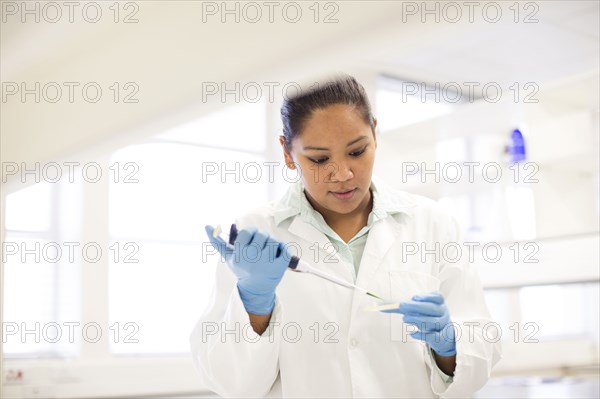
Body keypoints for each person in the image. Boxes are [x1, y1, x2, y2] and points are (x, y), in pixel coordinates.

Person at [190, 75, 502, 398]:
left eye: (357, 151)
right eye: (320, 159)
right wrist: (255, 306)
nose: (343, 174)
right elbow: (230, 383)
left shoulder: (433, 224)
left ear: (375, 134)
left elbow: (482, 347)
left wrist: (448, 345)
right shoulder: (255, 236)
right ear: (286, 152)